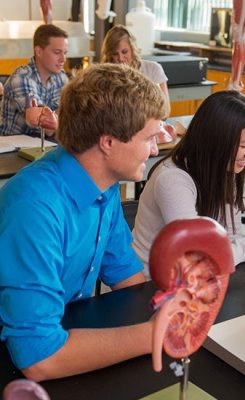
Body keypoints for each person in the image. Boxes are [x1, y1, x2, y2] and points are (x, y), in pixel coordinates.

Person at [0, 63, 167, 381]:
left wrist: (168, 307)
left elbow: (126, 277)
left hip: (65, 331)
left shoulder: (105, 182)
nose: (155, 149)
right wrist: (151, 335)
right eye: (149, 138)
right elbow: (38, 359)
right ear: (108, 142)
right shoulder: (34, 207)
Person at [133, 90, 245, 279]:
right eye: (244, 145)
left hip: (198, 278)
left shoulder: (223, 169)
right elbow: (197, 256)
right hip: (154, 284)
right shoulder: (172, 179)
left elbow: (231, 236)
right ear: (215, 143)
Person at [0, 24, 69, 137]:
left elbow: (71, 113)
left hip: (46, 145)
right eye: (57, 52)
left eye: (65, 53)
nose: (63, 59)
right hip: (13, 151)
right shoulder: (22, 78)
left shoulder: (61, 78)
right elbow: (43, 123)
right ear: (39, 51)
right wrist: (58, 120)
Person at [101, 25, 171, 117]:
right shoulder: (105, 76)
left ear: (132, 49)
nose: (120, 58)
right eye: (115, 54)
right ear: (110, 55)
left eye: (124, 52)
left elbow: (165, 112)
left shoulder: (153, 69)